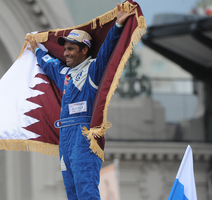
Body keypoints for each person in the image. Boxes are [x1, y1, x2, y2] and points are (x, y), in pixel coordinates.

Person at [26, 3, 137, 200]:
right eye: (65, 49)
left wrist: (118, 25)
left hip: (84, 136)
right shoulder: (65, 73)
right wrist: (36, 49)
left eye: (71, 49)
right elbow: (49, 65)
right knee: (72, 192)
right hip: (65, 138)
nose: (66, 53)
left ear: (84, 50)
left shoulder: (93, 69)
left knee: (86, 190)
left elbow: (107, 49)